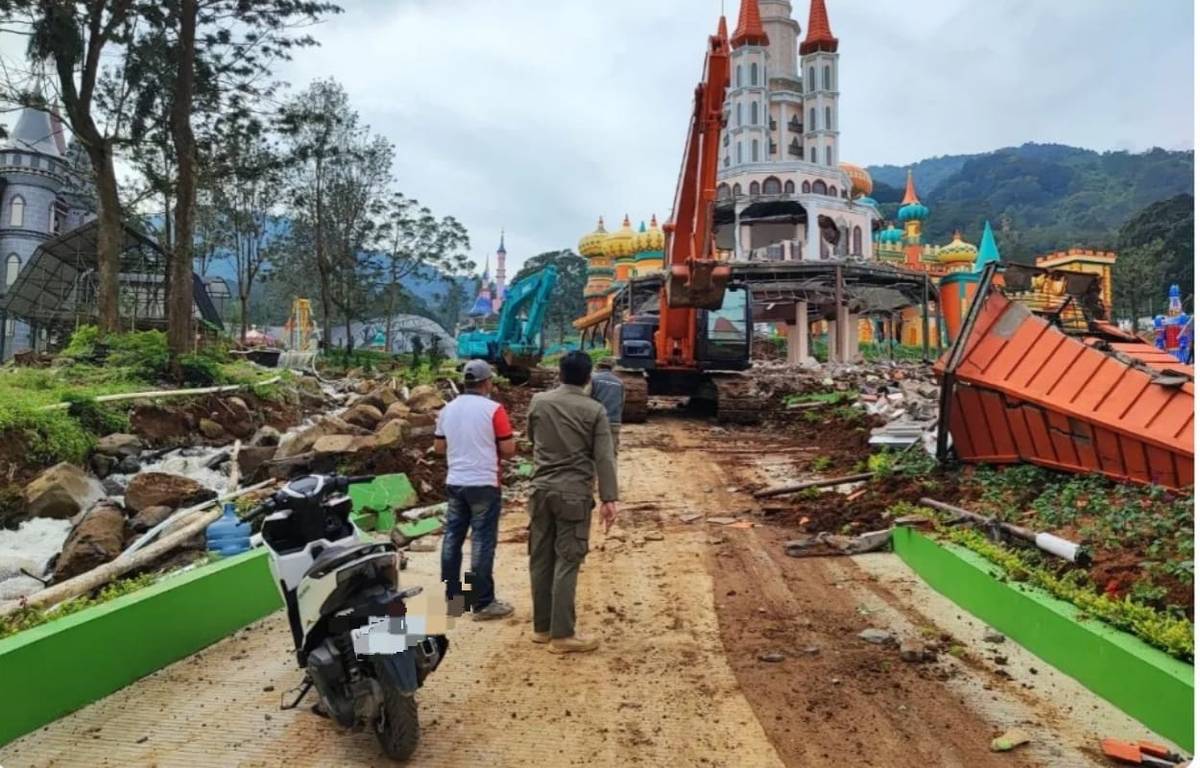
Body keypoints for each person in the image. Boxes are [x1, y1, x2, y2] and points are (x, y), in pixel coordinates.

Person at [526, 351, 619, 653]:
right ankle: (563, 635)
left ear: (560, 373)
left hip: (540, 491)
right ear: (588, 377)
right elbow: (604, 457)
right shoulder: (594, 411)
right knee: (568, 560)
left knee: (541, 559)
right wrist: (609, 498)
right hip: (574, 495)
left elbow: (532, 438)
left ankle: (542, 628)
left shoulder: (539, 402)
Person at [434, 359, 516, 621]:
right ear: (487, 382)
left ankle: (454, 600)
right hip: (484, 483)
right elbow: (508, 449)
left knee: (452, 539)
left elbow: (438, 448)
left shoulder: (447, 410)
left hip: (456, 481)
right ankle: (482, 603)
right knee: (481, 541)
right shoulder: (494, 410)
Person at [589, 358, 625, 454]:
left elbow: (585, 399)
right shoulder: (619, 382)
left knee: (592, 452)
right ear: (612, 367)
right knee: (611, 452)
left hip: (595, 421)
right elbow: (621, 402)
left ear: (597, 366)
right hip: (614, 421)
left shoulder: (592, 379)